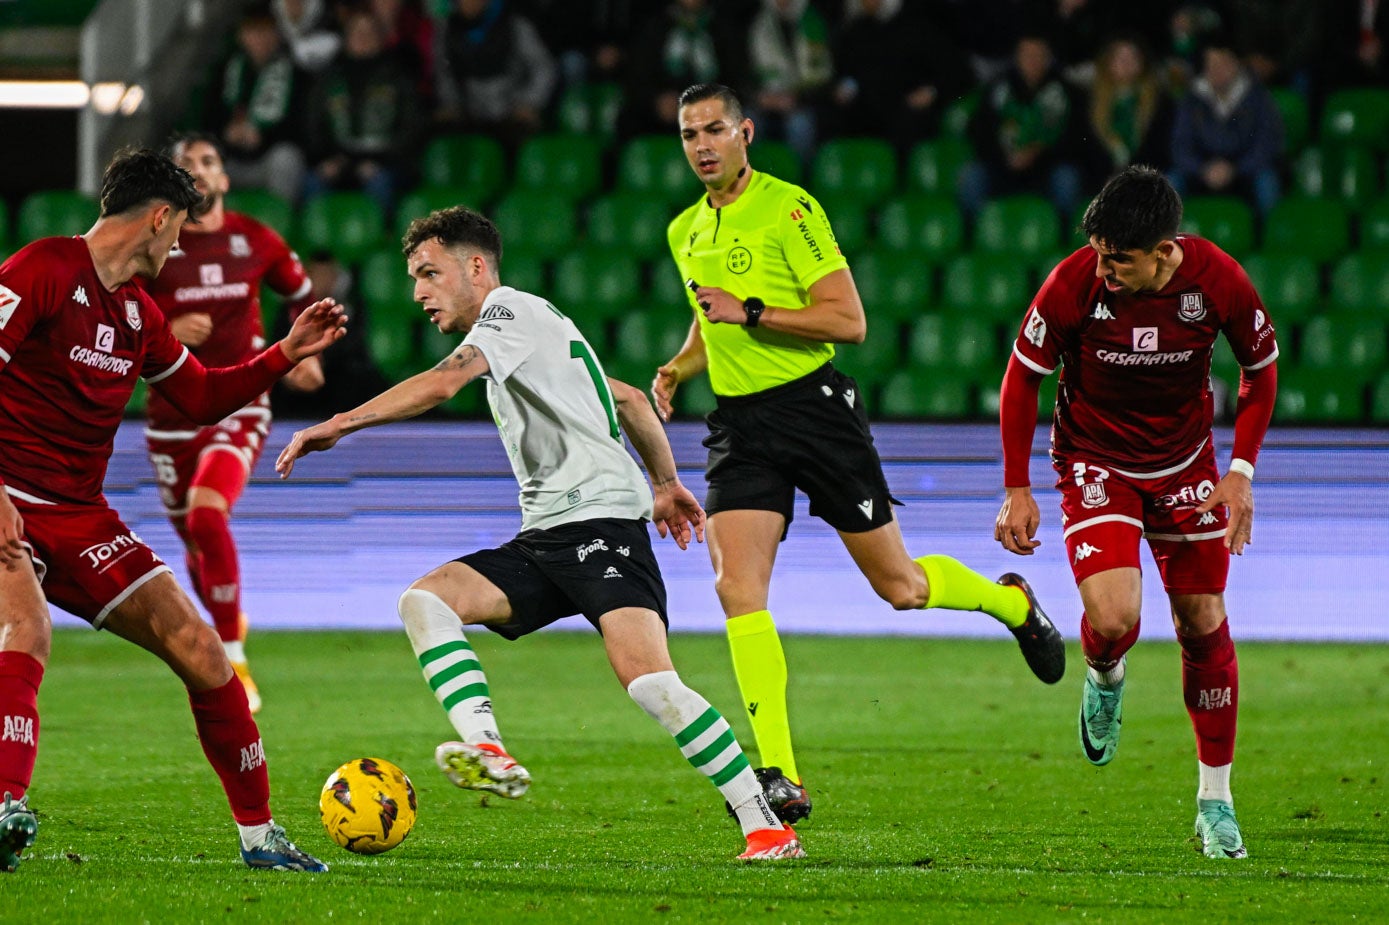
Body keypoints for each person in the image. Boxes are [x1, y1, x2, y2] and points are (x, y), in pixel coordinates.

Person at [274, 205, 804, 862]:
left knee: (649, 682)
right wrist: (665, 483)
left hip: (599, 522)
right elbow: (631, 401)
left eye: (429, 273)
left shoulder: (509, 314)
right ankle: (488, 746)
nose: (417, 292)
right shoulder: (536, 335)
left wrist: (341, 422)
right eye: (414, 277)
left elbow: (444, 381)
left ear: (475, 267)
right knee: (426, 598)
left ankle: (767, 825)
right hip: (548, 534)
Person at [653, 83, 1066, 823]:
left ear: (745, 131)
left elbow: (848, 320)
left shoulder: (790, 208)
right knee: (735, 590)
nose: (702, 145)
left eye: (715, 129)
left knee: (900, 587)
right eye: (689, 135)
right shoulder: (684, 228)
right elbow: (705, 314)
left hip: (815, 413)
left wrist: (749, 311)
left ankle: (1010, 603)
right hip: (742, 428)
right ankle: (777, 771)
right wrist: (681, 367)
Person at [0, 148, 346, 873]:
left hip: (81, 515)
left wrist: (283, 353)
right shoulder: (41, 269)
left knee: (200, 647)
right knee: (25, 626)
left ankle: (260, 836)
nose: (182, 245)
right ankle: (4, 808)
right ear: (158, 218)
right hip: (9, 498)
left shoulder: (136, 313)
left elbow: (203, 395)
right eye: (179, 230)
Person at [994, 165, 1279, 860]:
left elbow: (1260, 369)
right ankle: (1103, 675)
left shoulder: (1217, 281)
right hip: (1096, 461)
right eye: (1098, 252)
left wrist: (1239, 472)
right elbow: (1021, 379)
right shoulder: (1072, 283)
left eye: (1118, 258)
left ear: (1164, 248)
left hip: (1185, 466)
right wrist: (1017, 486)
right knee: (1117, 617)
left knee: (1201, 620)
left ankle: (1215, 801)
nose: (1104, 268)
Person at [140, 133, 325, 714]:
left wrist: (306, 352)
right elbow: (115, 307)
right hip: (171, 412)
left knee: (206, 511)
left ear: (222, 179)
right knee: (196, 541)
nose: (198, 170)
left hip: (239, 402)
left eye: (208, 162)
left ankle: (233, 658)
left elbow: (301, 295)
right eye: (186, 164)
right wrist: (168, 324)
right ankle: (228, 620)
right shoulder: (155, 245)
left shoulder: (255, 239)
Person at [960, 32, 1085, 217]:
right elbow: (979, 132)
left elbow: (1075, 139)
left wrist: (1037, 152)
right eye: (1027, 55)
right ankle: (971, 236)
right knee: (972, 177)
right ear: (1016, 58)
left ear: (1049, 58)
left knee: (1067, 179)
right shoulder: (998, 89)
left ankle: (1063, 235)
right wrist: (1006, 157)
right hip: (1002, 167)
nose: (1032, 61)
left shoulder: (1067, 92)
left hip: (1047, 169)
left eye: (1038, 55)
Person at [1169, 35, 1284, 217]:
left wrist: (1235, 169)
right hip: (1203, 171)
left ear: (1237, 64)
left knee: (1267, 181)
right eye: (1212, 65)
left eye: (1224, 64)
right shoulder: (1192, 100)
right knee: (1170, 181)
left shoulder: (1257, 97)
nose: (1218, 71)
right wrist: (1203, 168)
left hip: (1245, 171)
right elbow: (1180, 146)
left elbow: (1267, 143)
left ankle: (1269, 237)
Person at [209, 7, 308, 204]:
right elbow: (209, 118)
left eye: (266, 32)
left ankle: (279, 224)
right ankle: (208, 230)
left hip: (267, 159)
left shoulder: (295, 74)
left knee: (286, 159)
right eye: (253, 32)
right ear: (241, 36)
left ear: (277, 36)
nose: (260, 39)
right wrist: (227, 132)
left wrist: (262, 135)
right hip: (231, 159)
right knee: (200, 159)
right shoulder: (226, 70)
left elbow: (299, 127)